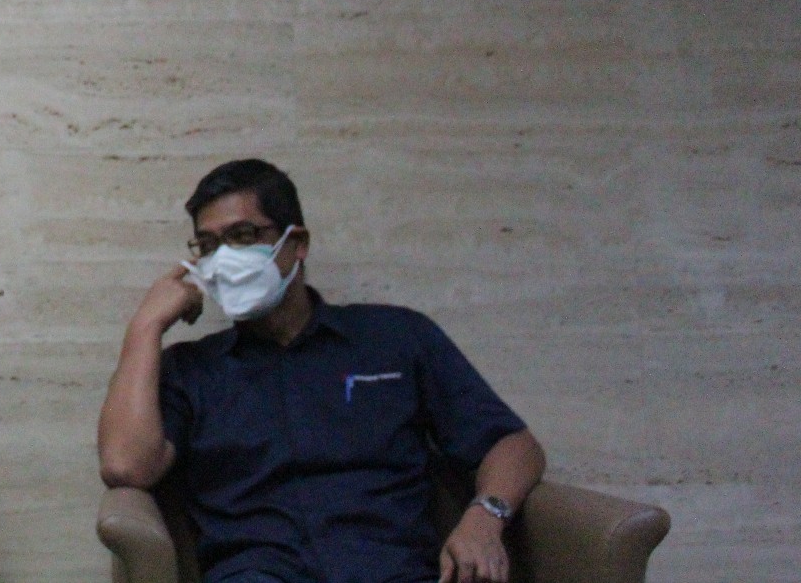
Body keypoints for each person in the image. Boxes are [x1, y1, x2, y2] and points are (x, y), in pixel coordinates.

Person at [97, 159, 545, 583]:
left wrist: (485, 518)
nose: (225, 257)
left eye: (243, 235)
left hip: (390, 570)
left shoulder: (396, 338)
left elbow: (513, 446)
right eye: (210, 245)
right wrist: (146, 326)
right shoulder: (193, 370)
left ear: (297, 243)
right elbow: (125, 466)